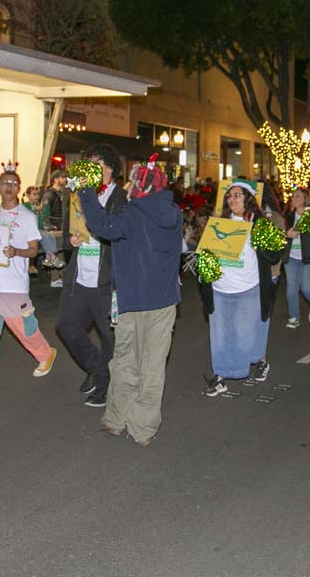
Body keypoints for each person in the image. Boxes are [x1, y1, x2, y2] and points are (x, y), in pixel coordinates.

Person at [76, 153, 182, 445]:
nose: (129, 187)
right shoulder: (174, 213)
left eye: (133, 182)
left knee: (125, 359)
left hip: (132, 299)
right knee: (153, 365)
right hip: (165, 301)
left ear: (140, 187)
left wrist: (86, 189)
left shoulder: (132, 212)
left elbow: (100, 224)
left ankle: (115, 419)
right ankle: (144, 430)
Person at [0, 169, 57, 395]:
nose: (9, 186)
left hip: (13, 283)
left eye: (13, 183)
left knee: (24, 329)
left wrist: (16, 251)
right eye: (5, 182)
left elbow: (34, 250)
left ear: (19, 188)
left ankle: (46, 354)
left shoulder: (27, 216)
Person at [57, 144, 127, 409]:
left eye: (96, 164)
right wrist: (71, 240)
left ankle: (106, 386)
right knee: (66, 325)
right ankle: (99, 370)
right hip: (79, 276)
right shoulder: (77, 195)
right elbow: (66, 233)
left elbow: (122, 235)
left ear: (110, 169)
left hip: (107, 279)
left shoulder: (121, 199)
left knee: (109, 337)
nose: (91, 170)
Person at [202, 179, 283, 396]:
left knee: (242, 333)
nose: (232, 199)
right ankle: (219, 376)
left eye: (237, 195)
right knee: (219, 334)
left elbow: (275, 254)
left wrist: (261, 241)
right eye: (230, 195)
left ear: (248, 199)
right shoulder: (220, 222)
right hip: (220, 288)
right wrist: (206, 276)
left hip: (248, 288)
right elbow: (207, 254)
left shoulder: (260, 223)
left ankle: (250, 363)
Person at [281, 186, 310, 329]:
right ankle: (294, 317)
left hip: (309, 257)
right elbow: (279, 234)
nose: (294, 198)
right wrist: (286, 234)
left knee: (307, 288)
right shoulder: (287, 216)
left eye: (298, 196)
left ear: (305, 199)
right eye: (293, 196)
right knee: (292, 288)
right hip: (291, 258)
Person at [39, 169, 68, 278]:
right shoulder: (49, 194)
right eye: (62, 177)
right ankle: (55, 278)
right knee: (55, 251)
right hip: (54, 227)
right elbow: (44, 212)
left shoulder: (63, 193)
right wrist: (49, 225)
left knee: (60, 252)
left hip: (62, 226)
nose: (65, 179)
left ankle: (59, 278)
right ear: (55, 179)